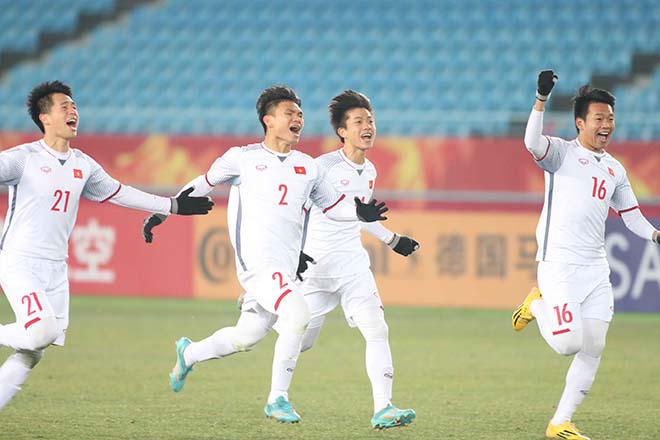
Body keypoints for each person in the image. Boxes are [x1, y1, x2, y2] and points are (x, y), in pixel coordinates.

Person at [141, 85, 389, 420]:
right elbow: (201, 184)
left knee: (247, 337)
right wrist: (161, 213)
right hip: (257, 265)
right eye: (290, 113)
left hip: (285, 269)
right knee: (298, 313)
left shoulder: (308, 167)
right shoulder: (242, 158)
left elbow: (333, 205)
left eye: (300, 114)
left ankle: (190, 353)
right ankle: (277, 399)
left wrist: (362, 214)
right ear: (268, 120)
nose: (298, 119)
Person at [0, 81, 213, 410]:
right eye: (64, 106)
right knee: (40, 331)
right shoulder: (22, 158)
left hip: (56, 267)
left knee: (31, 352)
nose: (74, 111)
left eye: (75, 106)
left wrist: (171, 205)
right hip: (19, 260)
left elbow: (121, 191)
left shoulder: (82, 164)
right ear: (44, 117)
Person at [512, 71, 660, 440]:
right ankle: (535, 306)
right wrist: (540, 98)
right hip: (558, 265)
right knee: (568, 344)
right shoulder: (562, 154)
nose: (606, 124)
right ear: (580, 123)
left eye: (610, 117)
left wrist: (656, 234)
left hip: (595, 268)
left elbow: (631, 217)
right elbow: (532, 142)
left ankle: (559, 422)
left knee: (593, 347)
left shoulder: (614, 169)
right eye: (599, 118)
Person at [267, 90, 419, 429]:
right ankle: (265, 319)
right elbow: (298, 211)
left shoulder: (371, 170)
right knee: (300, 338)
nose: (368, 126)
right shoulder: (322, 167)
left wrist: (392, 240)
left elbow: (361, 216)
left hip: (352, 267)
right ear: (342, 131)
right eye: (359, 121)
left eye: (370, 121)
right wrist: (294, 253)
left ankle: (384, 407)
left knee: (377, 328)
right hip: (316, 267)